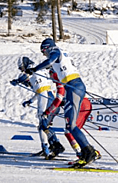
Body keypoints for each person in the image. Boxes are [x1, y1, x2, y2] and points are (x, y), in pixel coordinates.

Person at [26, 38, 98, 167]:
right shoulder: (61, 54)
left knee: (72, 126)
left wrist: (35, 69)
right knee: (71, 126)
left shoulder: (55, 51)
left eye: (43, 51)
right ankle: (87, 152)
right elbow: (49, 65)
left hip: (74, 86)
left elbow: (49, 60)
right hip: (74, 86)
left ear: (46, 47)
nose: (44, 54)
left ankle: (89, 153)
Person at [10, 56, 64, 159]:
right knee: (42, 125)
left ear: (24, 65)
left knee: (43, 124)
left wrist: (17, 81)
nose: (21, 70)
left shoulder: (31, 69)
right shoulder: (38, 70)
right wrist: (30, 101)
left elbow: (25, 78)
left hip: (45, 98)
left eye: (21, 68)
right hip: (49, 96)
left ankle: (54, 145)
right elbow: (39, 91)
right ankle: (49, 147)